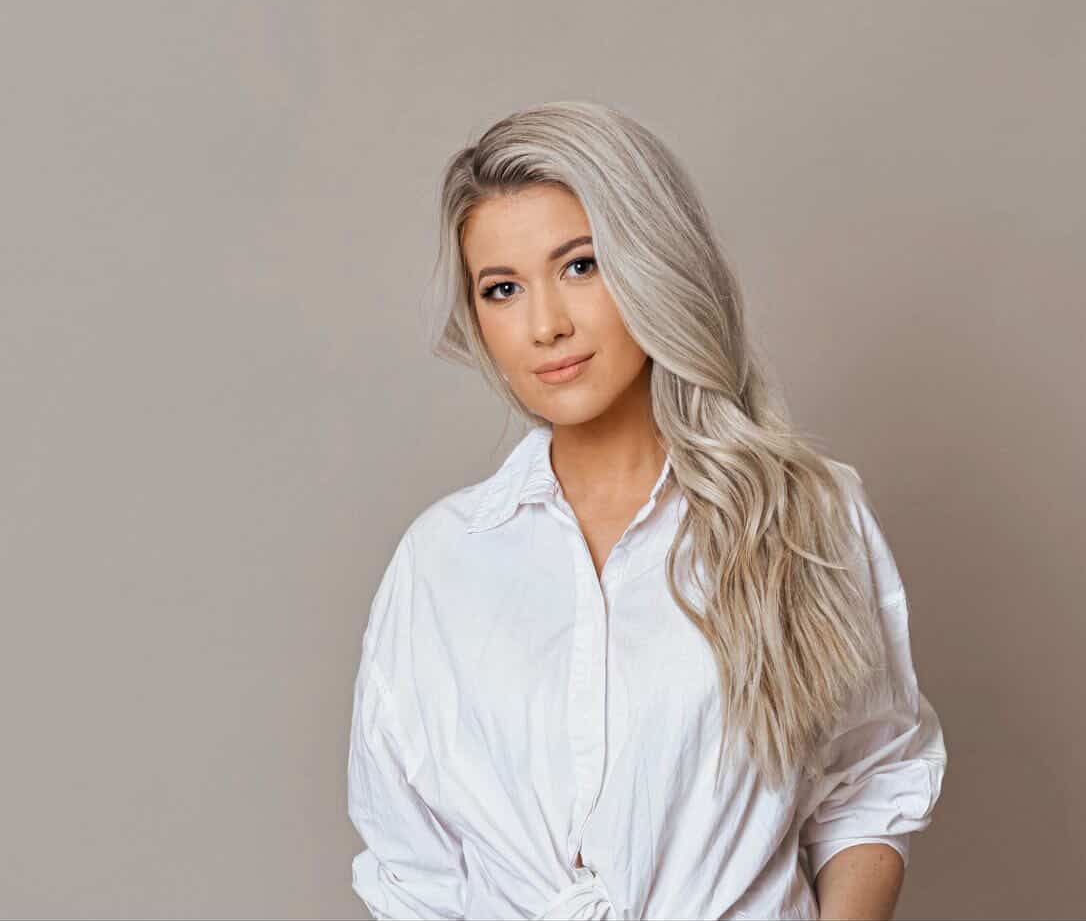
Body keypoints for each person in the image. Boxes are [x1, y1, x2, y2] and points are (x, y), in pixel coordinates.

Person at [347, 101, 947, 920]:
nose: (546, 324)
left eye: (581, 265)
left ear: (652, 263)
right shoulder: (441, 563)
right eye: (502, 288)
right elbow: (410, 869)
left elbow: (872, 780)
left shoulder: (802, 516)